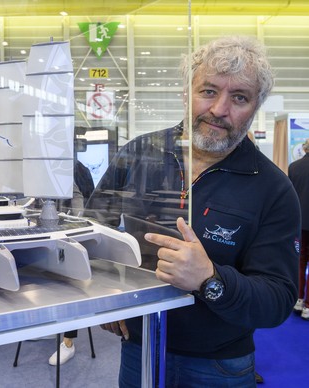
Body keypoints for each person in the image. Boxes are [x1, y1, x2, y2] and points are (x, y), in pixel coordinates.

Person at [88, 36, 300, 387]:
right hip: (138, 348)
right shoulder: (139, 152)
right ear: (187, 92)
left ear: (255, 106)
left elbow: (277, 300)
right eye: (208, 91)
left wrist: (210, 279)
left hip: (219, 364)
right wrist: (108, 299)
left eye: (239, 98)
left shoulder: (274, 189)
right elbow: (95, 229)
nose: (219, 109)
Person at [49, 160, 95, 366]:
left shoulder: (71, 166)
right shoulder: (41, 164)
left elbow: (79, 198)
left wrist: (74, 224)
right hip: (48, 228)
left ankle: (68, 342)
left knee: (71, 284)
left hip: (71, 232)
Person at [289, 139, 309, 320]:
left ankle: (298, 299)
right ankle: (308, 306)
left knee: (300, 262)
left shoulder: (294, 167)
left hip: (300, 223)